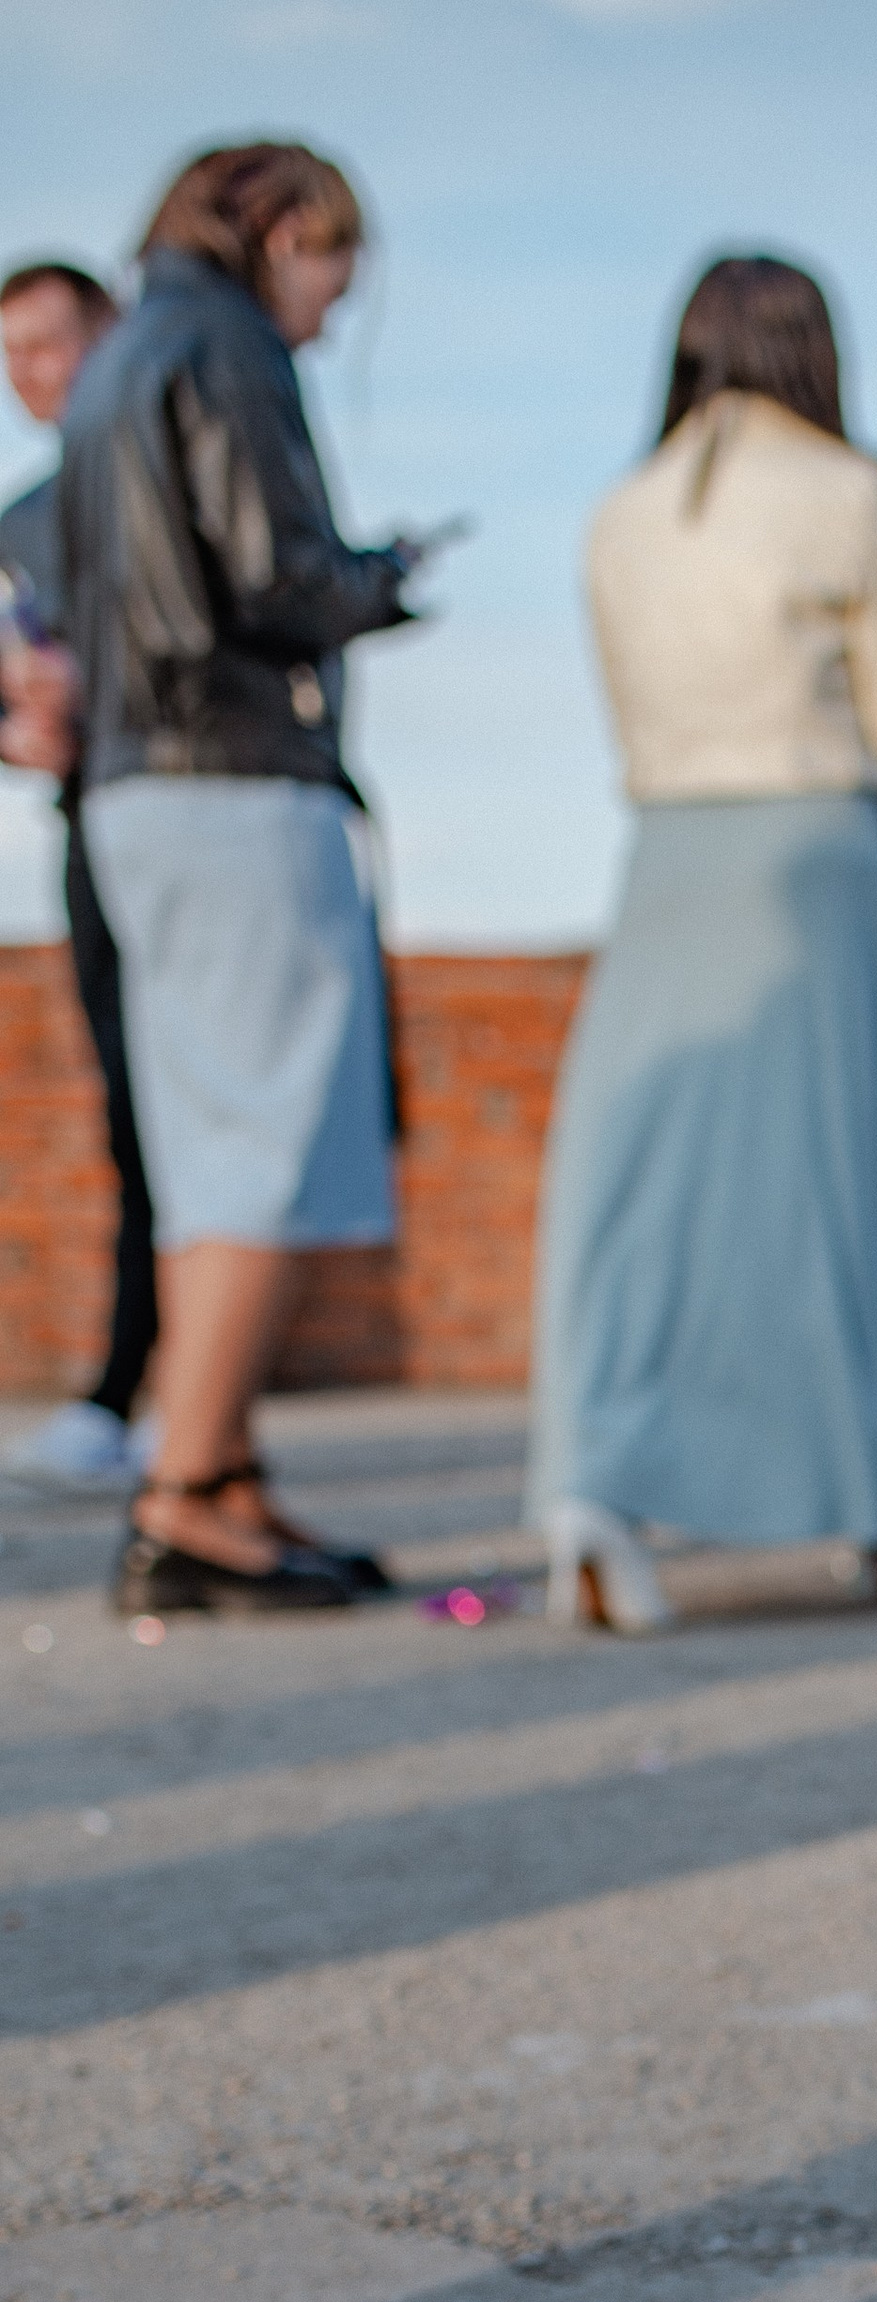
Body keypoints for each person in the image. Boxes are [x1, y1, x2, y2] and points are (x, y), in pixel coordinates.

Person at [529, 254, 877, 1630]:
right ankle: (876, 1509)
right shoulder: (851, 491)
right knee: (843, 1185)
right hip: (815, 858)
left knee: (637, 1193)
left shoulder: (618, 513)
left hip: (666, 859)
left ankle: (591, 1498)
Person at [55, 142, 426, 1612]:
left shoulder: (117, 359)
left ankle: (220, 1476)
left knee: (207, 1152)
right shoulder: (226, 347)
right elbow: (274, 576)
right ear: (274, 229)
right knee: (265, 1152)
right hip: (234, 776)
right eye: (334, 260)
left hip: (134, 789)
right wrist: (380, 580)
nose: (337, 306)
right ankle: (188, 1497)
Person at [0, 258, 162, 1497]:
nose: (34, 375)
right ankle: (129, 1388)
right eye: (14, 358)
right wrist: (22, 730)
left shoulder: (162, 482)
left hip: (183, 813)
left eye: (52, 343)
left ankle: (167, 1389)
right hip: (89, 828)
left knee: (200, 1118)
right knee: (128, 1114)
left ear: (109, 333)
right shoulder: (19, 528)